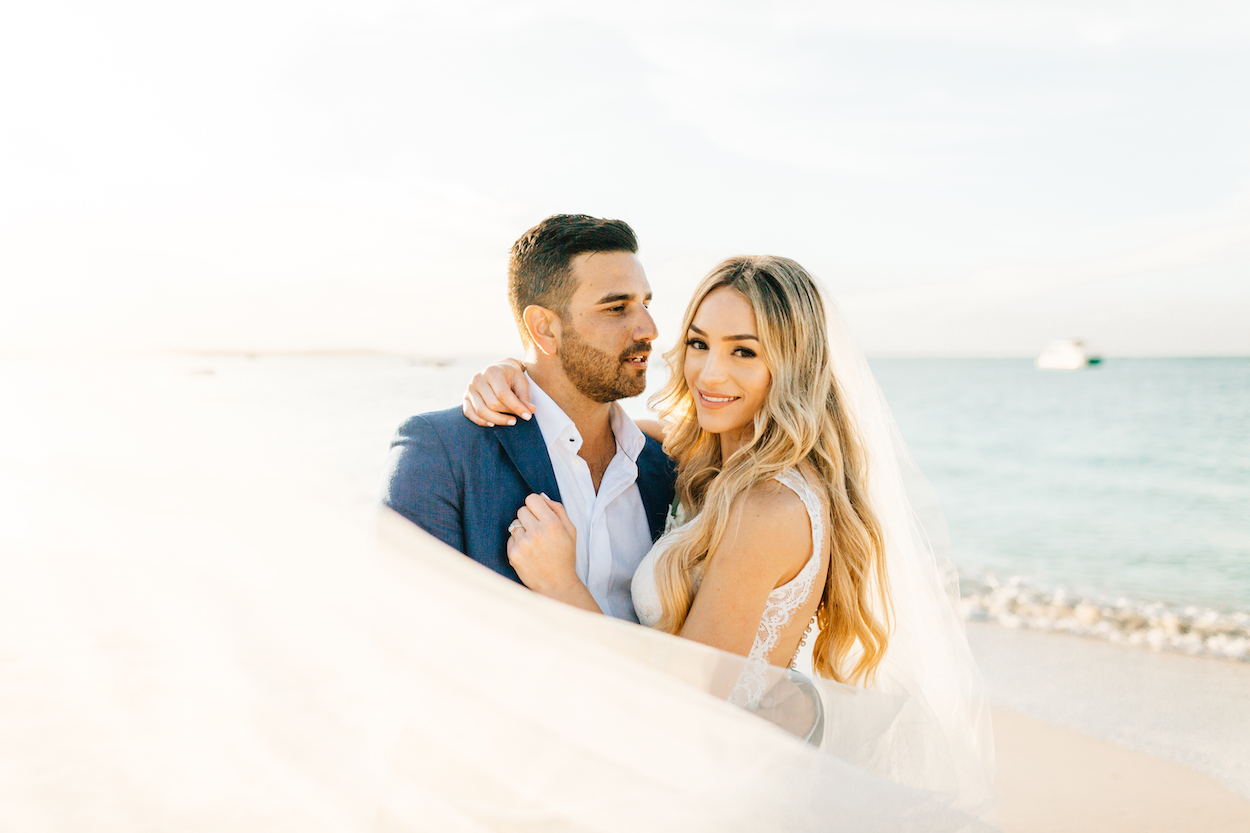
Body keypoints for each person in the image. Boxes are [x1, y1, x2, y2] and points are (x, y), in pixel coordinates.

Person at [463, 255, 998, 821]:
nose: (710, 375)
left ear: (792, 365)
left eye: (744, 351)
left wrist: (561, 584)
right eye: (699, 344)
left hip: (715, 795)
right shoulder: (702, 460)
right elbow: (590, 423)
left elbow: (683, 707)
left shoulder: (768, 507)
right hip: (680, 773)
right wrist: (513, 372)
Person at [380, 214, 676, 621]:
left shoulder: (669, 464)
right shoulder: (442, 452)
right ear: (544, 328)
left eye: (645, 304)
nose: (649, 328)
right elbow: (405, 641)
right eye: (616, 308)